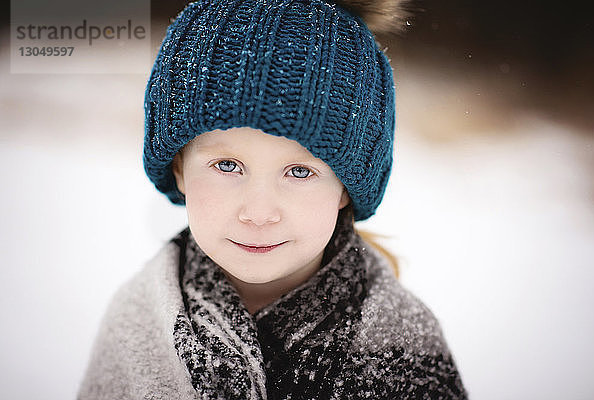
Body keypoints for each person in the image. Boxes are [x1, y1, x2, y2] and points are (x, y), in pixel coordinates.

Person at [78, 0, 468, 398]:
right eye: (228, 165)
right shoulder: (138, 321)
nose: (259, 213)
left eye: (300, 172)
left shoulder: (399, 347)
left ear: (345, 190)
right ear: (179, 168)